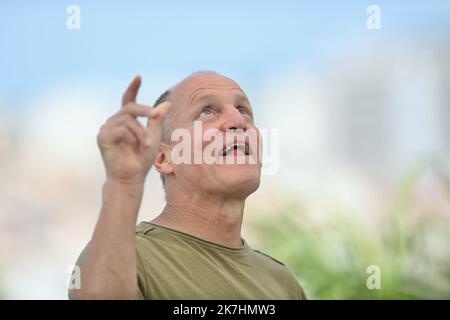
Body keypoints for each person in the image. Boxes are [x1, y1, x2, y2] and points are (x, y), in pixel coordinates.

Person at [68, 71, 306, 300]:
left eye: (244, 111)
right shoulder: (125, 258)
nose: (237, 121)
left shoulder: (281, 281)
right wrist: (123, 183)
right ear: (164, 158)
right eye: (206, 111)